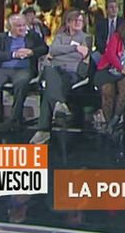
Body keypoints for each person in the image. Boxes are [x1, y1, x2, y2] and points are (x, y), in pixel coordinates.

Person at [0, 14, 48, 134]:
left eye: (24, 25)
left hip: (24, 69)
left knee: (21, 84)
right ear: (10, 27)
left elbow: (44, 48)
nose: (22, 28)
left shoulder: (32, 36)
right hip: (1, 69)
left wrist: (31, 52)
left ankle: (14, 120)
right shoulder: (0, 38)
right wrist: (14, 54)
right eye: (18, 26)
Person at [29, 10, 91, 144]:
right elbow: (53, 50)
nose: (78, 23)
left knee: (48, 91)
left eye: (81, 21)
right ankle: (59, 103)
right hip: (56, 70)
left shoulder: (86, 38)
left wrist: (60, 54)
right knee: (50, 71)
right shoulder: (59, 36)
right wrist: (74, 49)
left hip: (72, 72)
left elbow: (81, 55)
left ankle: (43, 131)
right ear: (68, 22)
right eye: (75, 20)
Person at [94, 19, 125, 135]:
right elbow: (111, 55)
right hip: (109, 70)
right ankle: (109, 122)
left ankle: (114, 121)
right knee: (107, 90)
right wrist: (121, 69)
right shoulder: (116, 37)